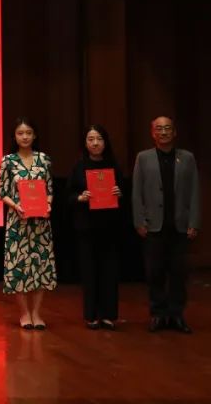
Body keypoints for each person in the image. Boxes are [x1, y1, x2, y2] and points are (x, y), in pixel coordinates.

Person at [132, 115, 200, 334]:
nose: (163, 132)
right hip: (153, 226)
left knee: (179, 273)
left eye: (167, 128)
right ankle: (158, 314)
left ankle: (176, 315)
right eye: (159, 129)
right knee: (155, 273)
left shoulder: (187, 158)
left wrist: (194, 222)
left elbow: (195, 192)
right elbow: (137, 192)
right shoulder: (143, 158)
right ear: (153, 133)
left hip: (180, 226)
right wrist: (139, 220)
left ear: (174, 132)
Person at [0, 117, 57, 329]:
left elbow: (49, 189)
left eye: (28, 133)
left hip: (40, 222)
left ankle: (37, 313)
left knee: (41, 265)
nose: (25, 137)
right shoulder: (8, 161)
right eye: (20, 133)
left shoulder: (44, 159)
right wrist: (16, 205)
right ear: (14, 137)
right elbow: (2, 192)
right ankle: (24, 313)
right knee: (19, 265)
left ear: (35, 135)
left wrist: (48, 204)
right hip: (18, 221)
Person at [67, 124, 123, 330]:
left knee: (110, 272)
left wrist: (119, 193)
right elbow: (68, 196)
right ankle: (91, 315)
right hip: (87, 228)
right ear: (85, 143)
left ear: (105, 142)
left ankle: (108, 315)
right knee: (89, 273)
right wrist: (80, 197)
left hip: (109, 227)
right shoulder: (79, 167)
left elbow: (124, 194)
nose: (95, 143)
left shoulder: (114, 166)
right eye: (91, 139)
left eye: (99, 139)